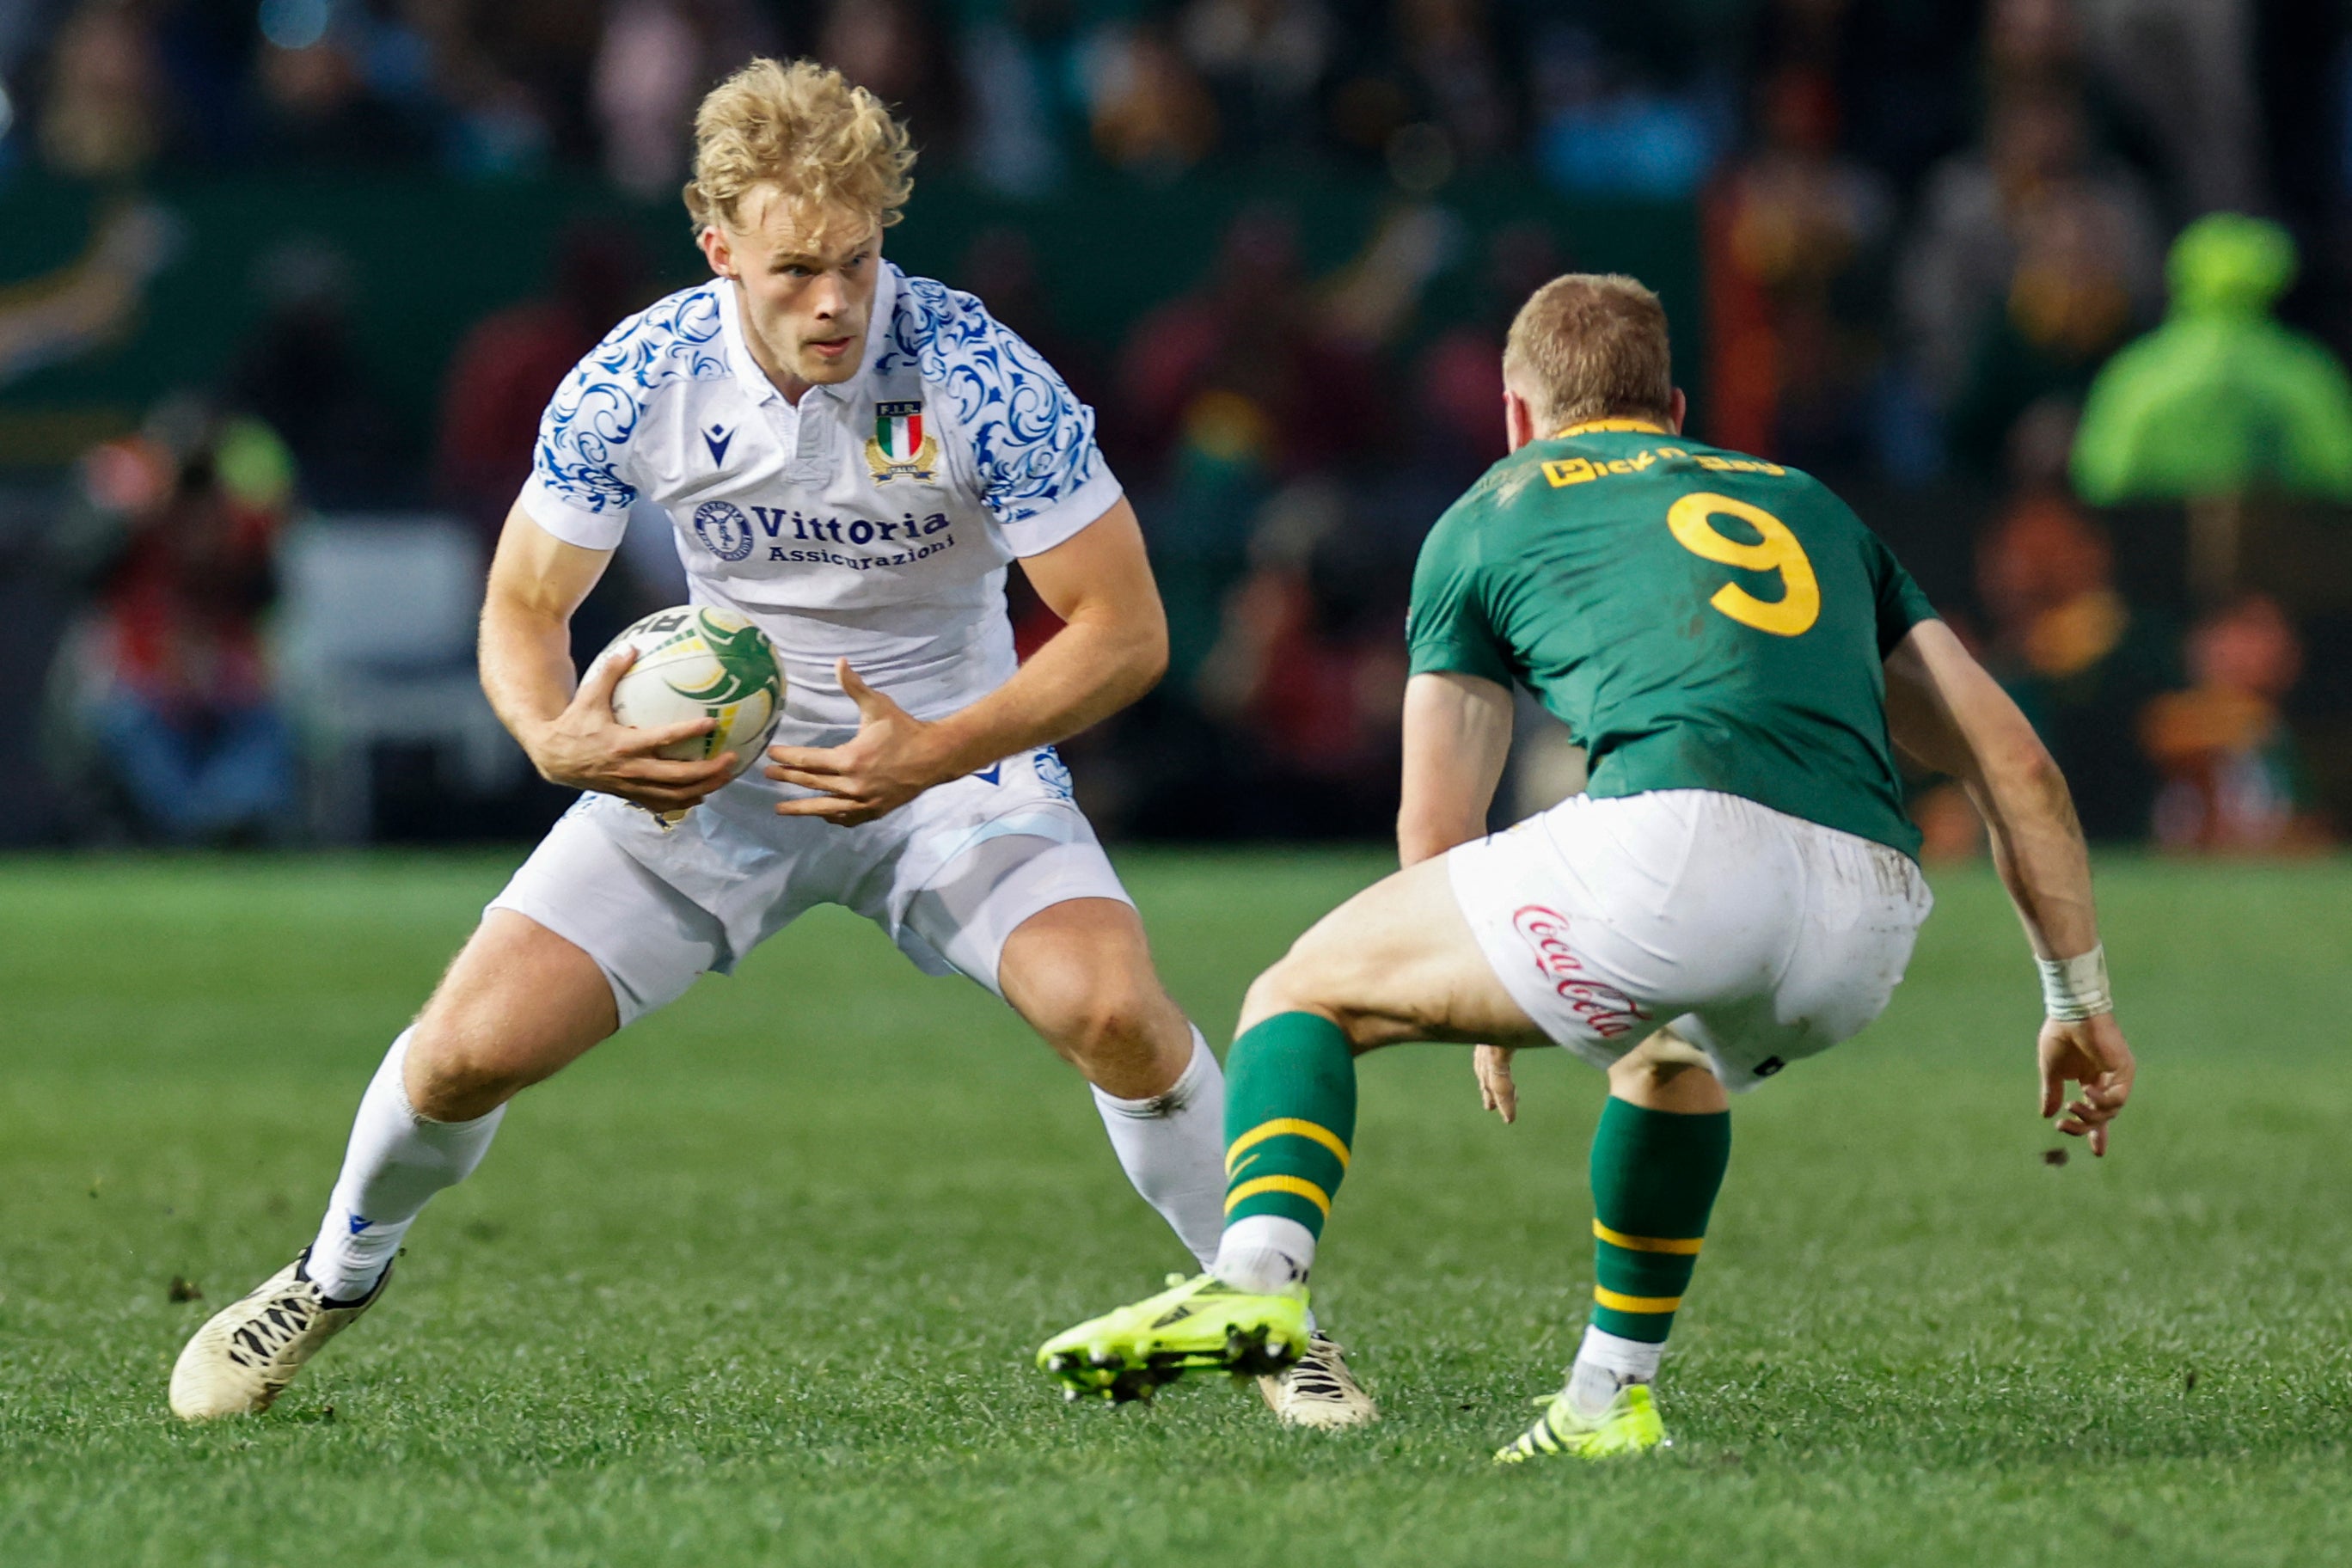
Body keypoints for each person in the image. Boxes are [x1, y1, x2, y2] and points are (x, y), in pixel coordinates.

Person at [168, 58, 1370, 1430]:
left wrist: (931, 754)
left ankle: (1274, 1320)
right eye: (797, 267)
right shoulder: (640, 375)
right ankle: (331, 1276)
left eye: (860, 259)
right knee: (458, 1059)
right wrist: (552, 736)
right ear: (715, 240)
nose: (838, 301)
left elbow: (1124, 632)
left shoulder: (980, 373)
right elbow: (524, 602)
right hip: (713, 783)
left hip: (949, 764)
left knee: (1117, 1017)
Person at [1037, 274, 2135, 1460]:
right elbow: (2017, 767)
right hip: (1866, 918)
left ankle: (1256, 1272)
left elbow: (1435, 826)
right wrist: (2075, 1000)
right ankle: (1610, 1400)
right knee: (1667, 1054)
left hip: (1674, 857)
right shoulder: (1811, 504)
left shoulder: (1490, 508)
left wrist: (1485, 1018)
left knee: (1301, 992)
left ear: (1518, 416)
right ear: (1672, 407)